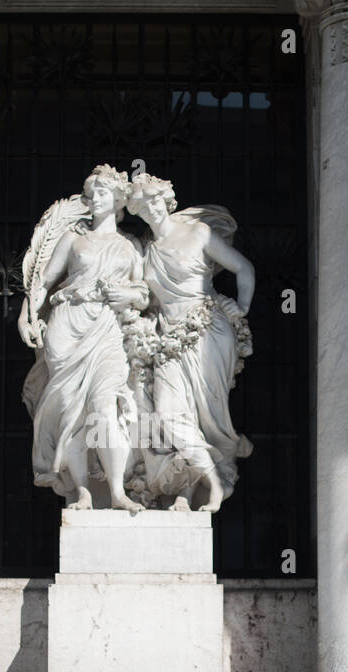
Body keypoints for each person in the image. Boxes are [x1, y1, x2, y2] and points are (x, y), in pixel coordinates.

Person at [18, 165, 148, 511]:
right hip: (69, 324)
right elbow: (43, 282)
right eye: (91, 194)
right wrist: (25, 315)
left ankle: (118, 492)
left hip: (108, 327)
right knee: (71, 413)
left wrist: (129, 296)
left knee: (105, 407)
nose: (94, 199)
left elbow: (144, 294)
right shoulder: (73, 240)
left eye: (102, 193)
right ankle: (82, 491)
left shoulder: (130, 246)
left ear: (118, 199)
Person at [126, 172, 254, 512]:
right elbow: (140, 297)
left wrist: (241, 307)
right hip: (168, 336)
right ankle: (207, 480)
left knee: (204, 418)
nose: (148, 208)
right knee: (169, 415)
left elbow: (243, 268)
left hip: (207, 329)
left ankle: (189, 492)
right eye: (140, 206)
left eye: (153, 200)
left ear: (166, 199)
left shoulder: (198, 233)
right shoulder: (147, 253)